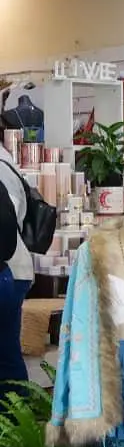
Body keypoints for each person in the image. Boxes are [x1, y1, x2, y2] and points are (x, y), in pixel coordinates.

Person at [0, 145, 32, 403]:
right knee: (8, 353)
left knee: (7, 355)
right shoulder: (5, 161)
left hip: (10, 266)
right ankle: (19, 430)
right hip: (11, 269)